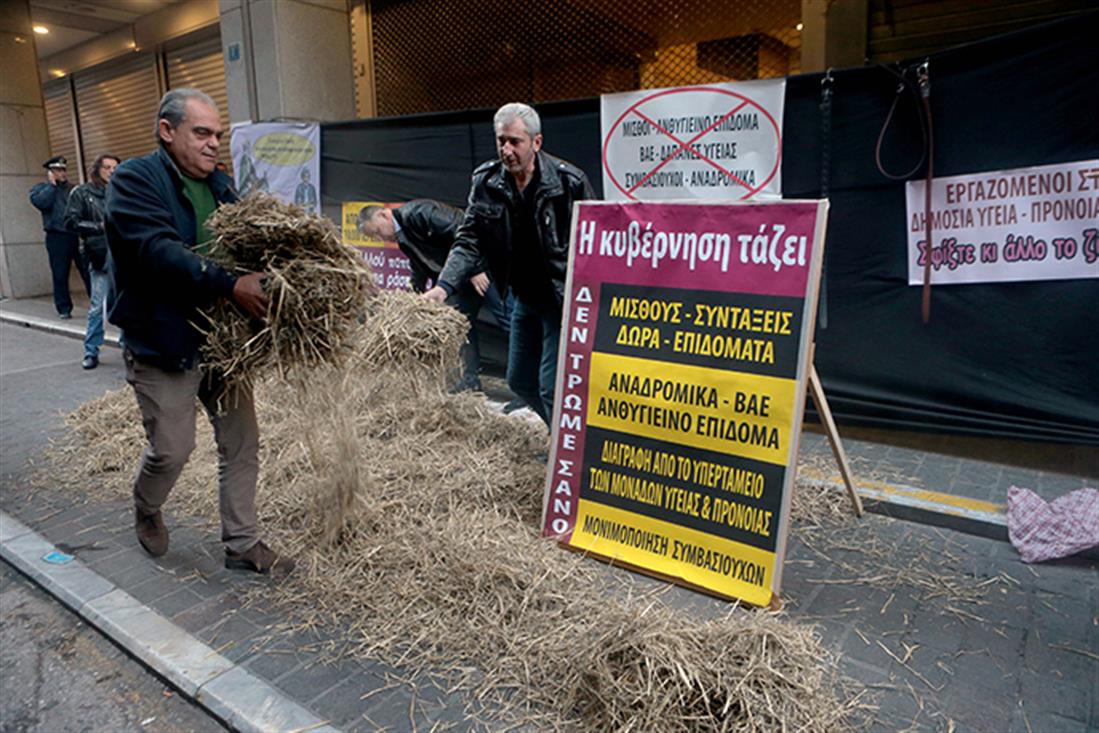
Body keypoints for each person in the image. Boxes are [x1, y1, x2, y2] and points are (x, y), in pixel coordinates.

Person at [105, 88, 293, 575]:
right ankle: (146, 504)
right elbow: (156, 251)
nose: (214, 145)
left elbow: (253, 241)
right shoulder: (134, 180)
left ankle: (242, 543)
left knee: (241, 441)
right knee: (172, 449)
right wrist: (231, 284)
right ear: (167, 132)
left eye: (219, 136)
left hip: (222, 343)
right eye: (202, 133)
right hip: (164, 340)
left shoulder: (224, 188)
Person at [424, 103, 594, 425]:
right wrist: (444, 287)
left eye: (515, 141)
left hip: (561, 299)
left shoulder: (569, 182)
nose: (507, 149)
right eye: (501, 141)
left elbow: (594, 240)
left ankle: (565, 455)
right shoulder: (487, 183)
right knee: (519, 382)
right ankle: (560, 440)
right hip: (523, 299)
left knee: (550, 388)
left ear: (536, 142)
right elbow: (469, 238)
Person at [358, 200, 513, 393]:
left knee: (511, 321)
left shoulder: (419, 213)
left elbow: (465, 231)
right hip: (460, 278)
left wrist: (477, 268)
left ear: (383, 215)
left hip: (484, 268)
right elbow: (419, 266)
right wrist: (413, 296)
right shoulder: (403, 236)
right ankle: (469, 381)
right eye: (374, 236)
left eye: (376, 232)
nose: (380, 238)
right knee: (462, 326)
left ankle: (529, 384)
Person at [65, 154, 120, 369]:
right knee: (98, 306)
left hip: (124, 255)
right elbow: (70, 221)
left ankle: (129, 346)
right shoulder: (82, 192)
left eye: (115, 167)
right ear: (97, 169)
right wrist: (98, 227)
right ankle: (91, 350)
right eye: (107, 167)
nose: (111, 171)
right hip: (99, 254)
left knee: (126, 302)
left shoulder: (123, 191)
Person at [29, 156, 90, 319]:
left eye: (63, 170)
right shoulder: (41, 189)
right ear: (50, 172)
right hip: (56, 236)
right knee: (60, 273)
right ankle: (64, 308)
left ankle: (96, 303)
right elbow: (42, 203)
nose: (62, 173)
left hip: (75, 234)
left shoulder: (73, 189)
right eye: (58, 170)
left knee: (87, 270)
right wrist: (52, 186)